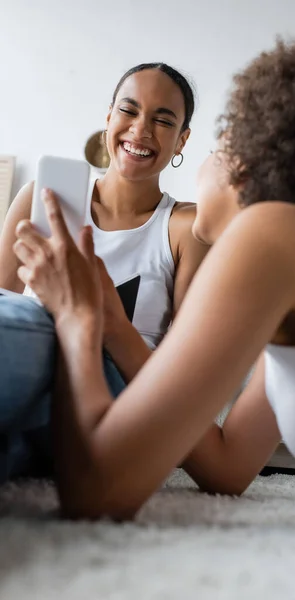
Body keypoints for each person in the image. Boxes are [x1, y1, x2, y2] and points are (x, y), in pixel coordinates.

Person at [14, 38, 295, 520]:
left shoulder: (272, 231)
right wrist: (112, 323)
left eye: (218, 147)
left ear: (245, 163)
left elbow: (98, 490)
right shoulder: (293, 305)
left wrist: (78, 316)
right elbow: (226, 468)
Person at [0, 63, 207, 482]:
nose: (141, 130)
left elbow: (180, 373)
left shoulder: (187, 228)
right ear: (108, 116)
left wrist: (89, 322)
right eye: (129, 111)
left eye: (163, 120)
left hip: (114, 387)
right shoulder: (37, 198)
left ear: (182, 139)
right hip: (30, 380)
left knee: (40, 336)